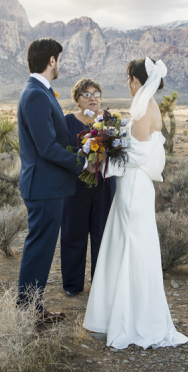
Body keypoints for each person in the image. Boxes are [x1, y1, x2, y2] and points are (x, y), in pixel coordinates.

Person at [83, 57, 188, 349]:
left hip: (132, 187)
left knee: (129, 245)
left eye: (128, 78)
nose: (126, 83)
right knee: (128, 243)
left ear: (135, 81)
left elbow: (135, 156)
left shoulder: (144, 110)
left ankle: (128, 320)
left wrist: (104, 149)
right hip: (135, 185)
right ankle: (119, 314)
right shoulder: (148, 107)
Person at [16, 38, 95, 329]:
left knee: (42, 251)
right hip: (44, 187)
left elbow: (53, 142)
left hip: (47, 186)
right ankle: (27, 316)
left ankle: (34, 309)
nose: (59, 65)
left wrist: (82, 150)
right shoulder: (36, 94)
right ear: (51, 61)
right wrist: (83, 163)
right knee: (38, 251)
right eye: (58, 60)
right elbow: (47, 147)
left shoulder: (39, 91)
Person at [61, 78, 116, 297]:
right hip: (75, 187)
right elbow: (63, 152)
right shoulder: (67, 121)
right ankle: (72, 285)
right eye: (86, 94)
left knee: (102, 235)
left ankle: (100, 286)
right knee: (73, 234)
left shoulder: (108, 121)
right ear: (77, 100)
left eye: (96, 93)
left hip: (103, 186)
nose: (93, 97)